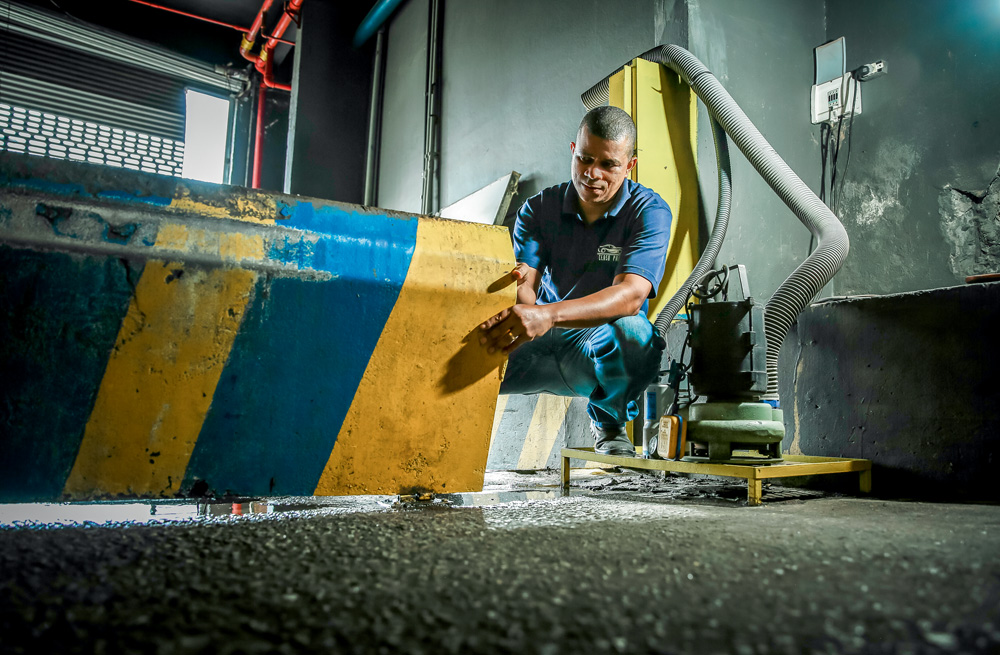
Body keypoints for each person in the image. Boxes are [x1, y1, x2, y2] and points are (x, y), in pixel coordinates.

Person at [479, 106, 673, 457]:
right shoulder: (539, 208)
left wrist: (549, 315)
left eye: (608, 164)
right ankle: (448, 436)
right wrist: (525, 306)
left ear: (629, 165)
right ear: (573, 150)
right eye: (584, 159)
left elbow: (630, 295)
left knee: (634, 333)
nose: (592, 174)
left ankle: (610, 426)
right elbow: (525, 285)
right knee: (465, 341)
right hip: (538, 342)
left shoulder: (648, 211)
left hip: (593, 350)